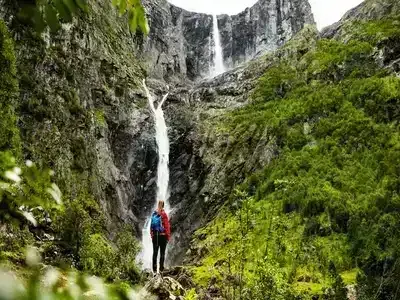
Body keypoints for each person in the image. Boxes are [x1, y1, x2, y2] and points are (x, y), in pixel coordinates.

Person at [151, 200, 171, 274]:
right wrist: (168, 237)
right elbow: (167, 226)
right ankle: (161, 270)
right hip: (163, 236)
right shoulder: (164, 214)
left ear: (158, 205)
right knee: (162, 253)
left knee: (155, 253)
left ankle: (154, 270)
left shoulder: (154, 214)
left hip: (155, 236)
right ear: (163, 206)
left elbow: (151, 226)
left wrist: (152, 235)